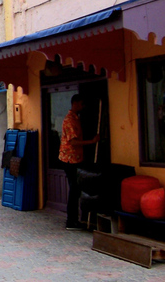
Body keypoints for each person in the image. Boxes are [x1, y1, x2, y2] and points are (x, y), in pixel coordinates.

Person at [59, 94, 99, 230]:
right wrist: (91, 142)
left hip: (76, 158)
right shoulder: (69, 120)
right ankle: (71, 221)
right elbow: (73, 141)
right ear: (75, 104)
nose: (83, 107)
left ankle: (75, 219)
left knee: (76, 189)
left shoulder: (76, 118)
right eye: (81, 104)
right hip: (69, 159)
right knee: (74, 189)